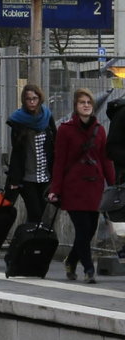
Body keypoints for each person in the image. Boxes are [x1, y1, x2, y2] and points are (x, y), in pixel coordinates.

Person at [48, 88, 115, 283]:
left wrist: (112, 186)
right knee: (82, 229)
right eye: (82, 102)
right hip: (74, 188)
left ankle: (71, 260)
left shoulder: (100, 130)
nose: (86, 105)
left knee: (89, 230)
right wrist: (55, 189)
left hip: (95, 189)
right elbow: (59, 162)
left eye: (89, 102)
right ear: (76, 107)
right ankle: (88, 270)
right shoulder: (66, 130)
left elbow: (106, 161)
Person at [6, 84, 55, 224]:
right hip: (27, 177)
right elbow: (16, 152)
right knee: (35, 212)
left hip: (45, 176)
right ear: (24, 100)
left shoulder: (47, 116)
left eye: (35, 98)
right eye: (28, 99)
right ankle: (30, 242)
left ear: (40, 99)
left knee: (41, 213)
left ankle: (32, 241)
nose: (32, 102)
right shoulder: (17, 120)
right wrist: (14, 180)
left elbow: (55, 143)